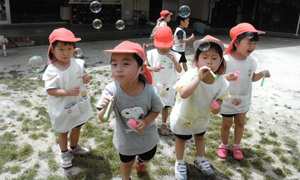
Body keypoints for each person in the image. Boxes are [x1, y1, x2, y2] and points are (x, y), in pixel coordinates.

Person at [96, 41, 164, 180]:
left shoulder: (150, 91)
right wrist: (104, 108)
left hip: (147, 139)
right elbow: (102, 119)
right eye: (114, 64)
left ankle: (141, 161)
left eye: (125, 64)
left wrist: (145, 121)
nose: (118, 69)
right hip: (125, 140)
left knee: (148, 157)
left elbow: (157, 109)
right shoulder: (111, 91)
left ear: (142, 69)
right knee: (126, 163)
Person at [170, 35, 230, 179]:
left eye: (214, 58)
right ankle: (179, 162)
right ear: (197, 60)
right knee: (181, 139)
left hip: (201, 117)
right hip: (184, 115)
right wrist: (199, 78)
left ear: (221, 61)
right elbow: (183, 93)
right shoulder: (190, 75)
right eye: (205, 57)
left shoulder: (221, 82)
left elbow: (221, 97)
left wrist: (218, 106)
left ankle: (200, 159)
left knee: (200, 137)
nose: (209, 61)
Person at [218, 23, 271, 160]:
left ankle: (236, 145)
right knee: (227, 123)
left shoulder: (252, 61)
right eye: (249, 43)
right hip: (228, 99)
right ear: (235, 42)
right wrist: (225, 77)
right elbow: (216, 79)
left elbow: (251, 78)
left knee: (240, 123)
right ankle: (224, 144)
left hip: (244, 98)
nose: (252, 47)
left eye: (255, 43)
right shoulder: (225, 60)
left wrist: (261, 74)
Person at [42, 28, 94, 168]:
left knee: (77, 126)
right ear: (53, 50)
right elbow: (51, 90)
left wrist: (87, 78)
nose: (66, 53)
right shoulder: (52, 70)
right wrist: (67, 92)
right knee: (63, 130)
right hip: (62, 106)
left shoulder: (78, 64)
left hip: (77, 104)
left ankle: (74, 147)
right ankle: (64, 152)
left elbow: (86, 79)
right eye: (61, 49)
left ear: (74, 49)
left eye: (69, 48)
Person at [146, 26, 182, 136]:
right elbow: (145, 68)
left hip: (169, 85)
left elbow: (179, 70)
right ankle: (150, 123)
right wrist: (152, 68)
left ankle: (163, 123)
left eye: (166, 46)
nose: (164, 49)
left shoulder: (175, 54)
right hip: (155, 85)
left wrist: (174, 60)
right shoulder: (151, 54)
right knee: (153, 106)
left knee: (166, 106)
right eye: (161, 46)